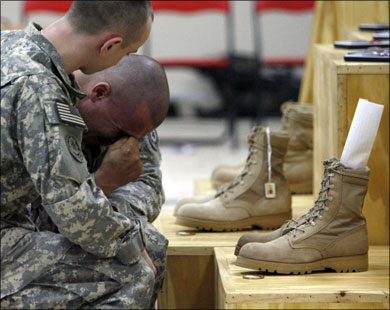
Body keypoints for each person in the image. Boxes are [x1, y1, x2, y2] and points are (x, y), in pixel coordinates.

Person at [1, 1, 157, 308]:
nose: (123, 61)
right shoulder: (39, 87)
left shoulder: (9, 43)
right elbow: (73, 211)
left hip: (12, 221)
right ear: (110, 45)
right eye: (126, 53)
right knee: (134, 271)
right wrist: (130, 241)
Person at [34, 54, 170, 308]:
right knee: (131, 262)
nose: (123, 141)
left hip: (83, 217)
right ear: (98, 93)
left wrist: (114, 211)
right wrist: (102, 183)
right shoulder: (44, 103)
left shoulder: (128, 112)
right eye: (119, 131)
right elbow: (29, 217)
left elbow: (149, 181)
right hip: (23, 237)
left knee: (146, 242)